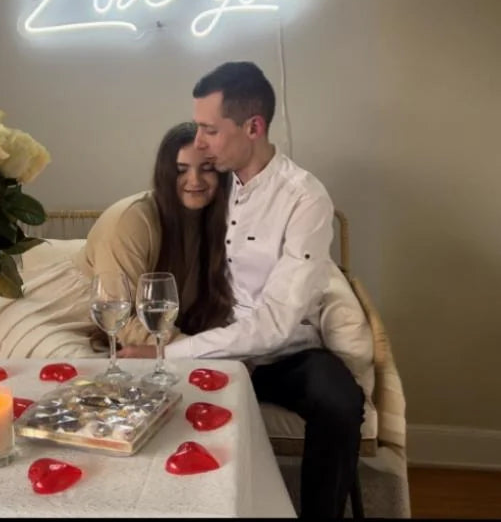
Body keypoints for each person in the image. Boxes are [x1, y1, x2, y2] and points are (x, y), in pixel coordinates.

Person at [119, 61, 366, 519]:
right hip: (218, 337)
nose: (200, 142)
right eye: (198, 128)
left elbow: (275, 324)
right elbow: (169, 200)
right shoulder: (215, 182)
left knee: (341, 400)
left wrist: (173, 353)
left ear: (253, 126)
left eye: (210, 129)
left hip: (286, 352)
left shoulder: (304, 198)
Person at [0, 122, 234, 361]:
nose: (194, 180)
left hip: (124, 316)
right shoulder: (133, 218)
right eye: (181, 170)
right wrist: (200, 351)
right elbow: (120, 316)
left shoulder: (219, 219)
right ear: (165, 173)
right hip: (66, 309)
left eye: (207, 168)